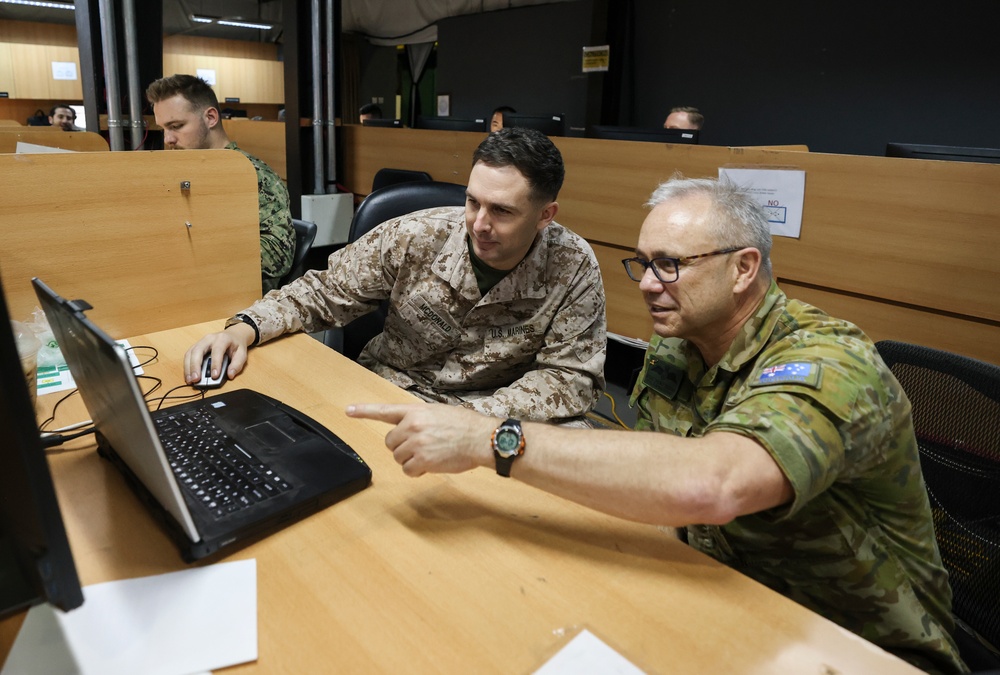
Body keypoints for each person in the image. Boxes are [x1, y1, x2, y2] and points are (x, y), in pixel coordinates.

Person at [348, 176, 966, 673]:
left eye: (669, 264)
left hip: (849, 644)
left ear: (744, 268)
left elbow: (715, 483)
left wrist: (491, 438)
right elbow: (667, 487)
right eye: (641, 264)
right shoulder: (682, 344)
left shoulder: (829, 363)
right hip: (723, 595)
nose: (646, 285)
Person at [186, 126, 607, 425]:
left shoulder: (572, 266)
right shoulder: (417, 235)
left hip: (491, 412)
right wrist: (244, 328)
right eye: (473, 202)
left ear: (544, 216)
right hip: (391, 390)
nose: (479, 223)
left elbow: (570, 377)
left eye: (502, 211)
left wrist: (470, 421)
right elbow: (326, 292)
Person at [146, 74, 294, 293]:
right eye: (163, 129)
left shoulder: (253, 175)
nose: (168, 139)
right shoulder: (186, 170)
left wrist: (196, 252)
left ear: (211, 118)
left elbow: (278, 255)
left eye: (176, 126)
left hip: (236, 298)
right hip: (187, 286)